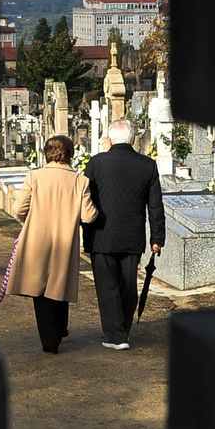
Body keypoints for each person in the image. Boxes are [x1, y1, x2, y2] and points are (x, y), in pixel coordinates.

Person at [7, 135, 98, 354]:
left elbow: (18, 209)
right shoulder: (80, 181)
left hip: (37, 238)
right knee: (60, 283)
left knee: (39, 288)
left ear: (46, 153)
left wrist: (32, 220)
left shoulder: (34, 176)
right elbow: (88, 216)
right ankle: (60, 329)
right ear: (70, 154)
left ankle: (49, 339)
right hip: (64, 240)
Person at [81, 119, 164, 350]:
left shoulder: (96, 163)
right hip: (132, 234)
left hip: (101, 233)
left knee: (107, 285)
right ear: (133, 139)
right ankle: (123, 330)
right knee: (128, 283)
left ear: (109, 140)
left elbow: (84, 199)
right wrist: (157, 238)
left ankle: (116, 336)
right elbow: (155, 205)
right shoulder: (147, 165)